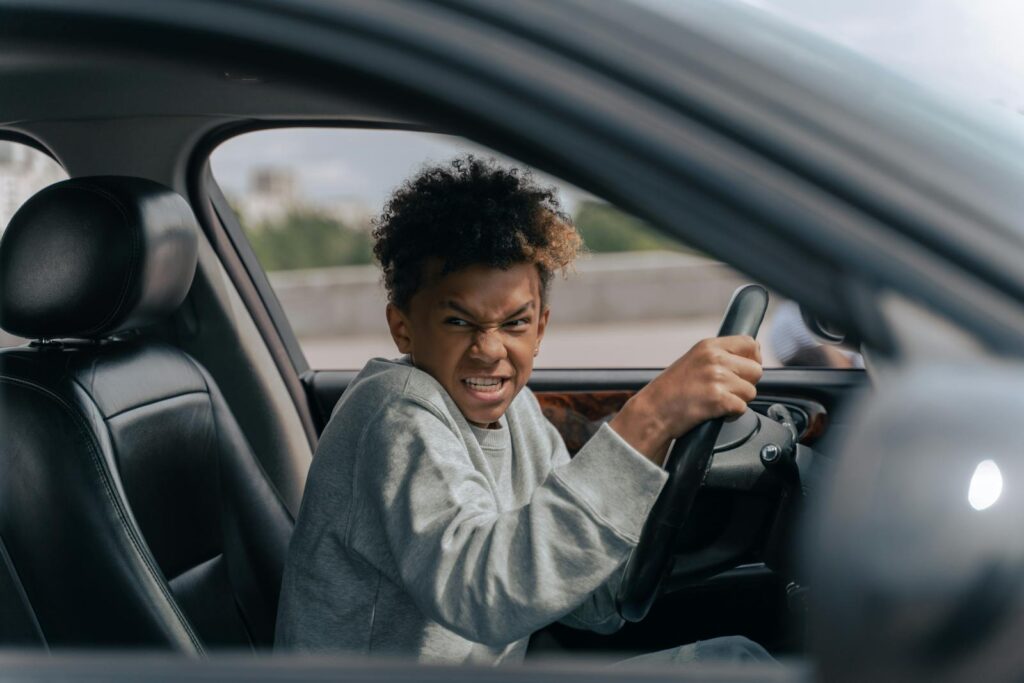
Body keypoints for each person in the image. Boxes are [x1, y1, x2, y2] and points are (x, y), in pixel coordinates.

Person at [275, 156, 771, 666]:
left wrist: (663, 469)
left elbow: (591, 602)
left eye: (514, 324)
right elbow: (483, 594)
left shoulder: (519, 416)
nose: (489, 350)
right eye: (459, 321)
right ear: (403, 328)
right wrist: (650, 418)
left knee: (735, 660)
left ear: (541, 329)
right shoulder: (396, 413)